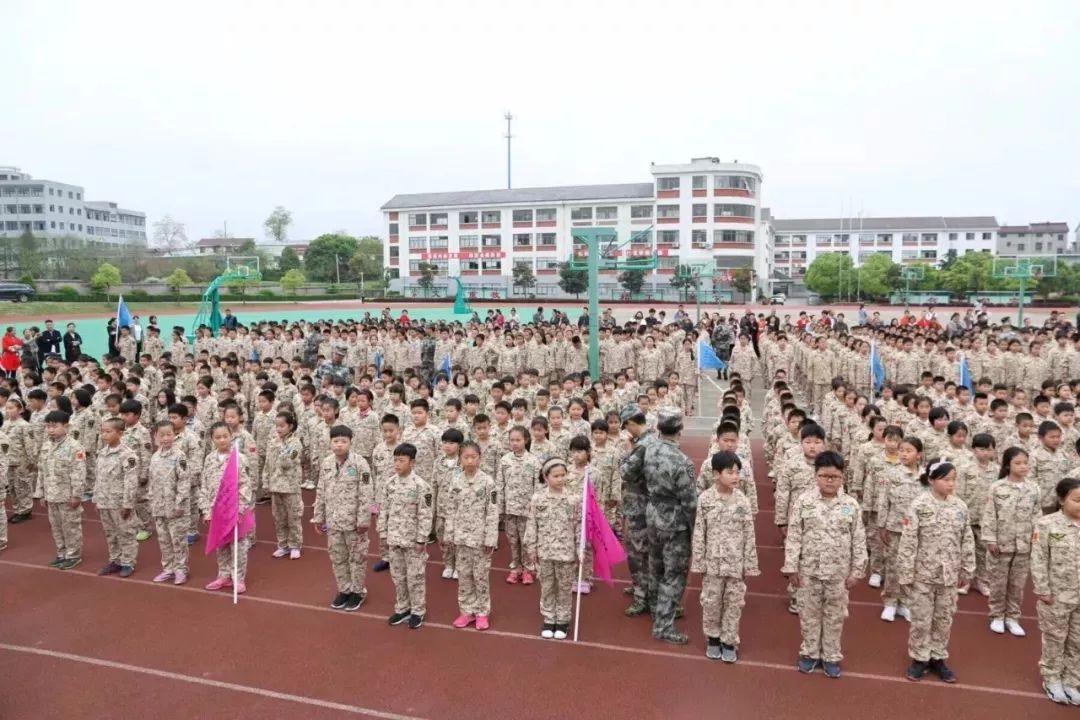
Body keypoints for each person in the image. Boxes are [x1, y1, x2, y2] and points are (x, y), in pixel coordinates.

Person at [782, 451, 867, 678]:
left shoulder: (850, 505)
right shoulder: (804, 502)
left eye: (835, 477)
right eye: (824, 476)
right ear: (815, 475)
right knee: (809, 614)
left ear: (842, 478)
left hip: (838, 574)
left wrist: (857, 571)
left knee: (834, 616)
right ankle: (809, 653)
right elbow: (794, 535)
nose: (829, 481)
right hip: (808, 571)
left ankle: (831, 655)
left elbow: (858, 539)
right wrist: (791, 567)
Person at [897, 461, 975, 683]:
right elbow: (909, 541)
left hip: (949, 574)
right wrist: (905, 572)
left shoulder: (960, 506)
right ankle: (920, 658)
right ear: (932, 480)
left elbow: (967, 538)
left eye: (953, 479)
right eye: (945, 479)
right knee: (921, 618)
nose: (951, 484)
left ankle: (938, 657)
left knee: (943, 618)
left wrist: (968, 568)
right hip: (923, 573)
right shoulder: (919, 505)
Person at [691, 451, 759, 662]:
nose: (735, 476)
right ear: (716, 474)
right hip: (712, 563)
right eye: (730, 472)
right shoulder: (705, 499)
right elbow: (699, 532)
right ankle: (713, 638)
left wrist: (749, 565)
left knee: (734, 602)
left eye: (737, 472)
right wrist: (699, 562)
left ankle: (729, 640)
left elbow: (749, 534)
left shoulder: (742, 501)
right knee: (711, 602)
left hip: (736, 564)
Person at [643, 409, 697, 644]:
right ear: (679, 430)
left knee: (655, 566)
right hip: (674, 522)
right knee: (674, 574)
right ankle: (664, 625)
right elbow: (690, 502)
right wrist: (697, 531)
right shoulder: (681, 461)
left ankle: (657, 609)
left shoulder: (650, 449)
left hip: (653, 514)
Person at [313, 425, 375, 613]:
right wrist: (318, 517)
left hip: (354, 523)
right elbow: (321, 490)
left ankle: (357, 591)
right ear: (330, 442)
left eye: (343, 441)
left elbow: (366, 492)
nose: (339, 445)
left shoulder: (360, 464)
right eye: (335, 441)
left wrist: (364, 520)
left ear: (350, 442)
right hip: (334, 522)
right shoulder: (327, 463)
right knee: (337, 557)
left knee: (357, 558)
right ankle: (344, 589)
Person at [983, 446, 1041, 636]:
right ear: (1008, 465)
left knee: (1017, 584)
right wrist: (990, 539)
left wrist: (1036, 540)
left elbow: (1037, 516)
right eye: (1018, 463)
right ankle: (997, 616)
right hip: (1001, 543)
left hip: (1024, 545)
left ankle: (1013, 617)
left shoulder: (1034, 488)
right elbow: (990, 515)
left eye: (1025, 463)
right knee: (999, 583)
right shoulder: (997, 487)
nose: (1023, 467)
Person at [1032, 477, 1080, 704]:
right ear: (1062, 500)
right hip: (1057, 595)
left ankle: (1072, 680)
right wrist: (1043, 589)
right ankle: (1052, 678)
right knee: (1054, 638)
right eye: (1077, 500)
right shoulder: (1047, 524)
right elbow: (1039, 559)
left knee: (1077, 640)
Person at [524, 457, 580, 640]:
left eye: (563, 475)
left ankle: (563, 620)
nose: (560, 479)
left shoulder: (573, 499)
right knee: (547, 586)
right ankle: (549, 618)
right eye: (556, 476)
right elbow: (532, 524)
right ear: (546, 477)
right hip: (545, 551)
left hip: (566, 552)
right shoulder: (538, 499)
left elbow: (579, 527)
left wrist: (580, 549)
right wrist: (531, 548)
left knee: (564, 588)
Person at [446, 440, 499, 630]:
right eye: (466, 457)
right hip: (461, 537)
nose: (469, 461)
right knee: (464, 575)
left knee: (481, 576)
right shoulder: (456, 480)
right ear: (460, 459)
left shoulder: (488, 482)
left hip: (480, 538)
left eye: (473, 457)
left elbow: (492, 511)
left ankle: (482, 612)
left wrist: (491, 538)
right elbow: (450, 508)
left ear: (479, 459)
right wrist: (449, 534)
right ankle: (466, 611)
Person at [379, 442, 432, 629]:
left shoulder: (421, 486)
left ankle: (418, 610)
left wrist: (421, 539)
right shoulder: (389, 483)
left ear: (413, 462)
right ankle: (402, 608)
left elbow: (425, 515)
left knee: (415, 576)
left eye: (401, 460)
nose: (397, 464)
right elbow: (383, 510)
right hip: (394, 538)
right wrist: (383, 533)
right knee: (398, 576)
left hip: (412, 541)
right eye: (395, 460)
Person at [201, 422, 254, 593]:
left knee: (238, 546)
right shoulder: (209, 459)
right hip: (217, 511)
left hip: (235, 510)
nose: (222, 440)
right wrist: (206, 510)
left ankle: (238, 578)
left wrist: (240, 510)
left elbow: (245, 486)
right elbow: (205, 486)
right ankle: (223, 575)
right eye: (217, 437)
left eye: (225, 436)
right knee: (221, 544)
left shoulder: (239, 458)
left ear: (231, 436)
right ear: (212, 439)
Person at [33, 410, 87, 570]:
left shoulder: (75, 447)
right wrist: (40, 493)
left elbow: (79, 473)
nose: (50, 430)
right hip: (51, 494)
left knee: (70, 526)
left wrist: (77, 495)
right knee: (56, 527)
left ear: (66, 427)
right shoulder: (46, 445)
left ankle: (73, 555)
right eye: (48, 426)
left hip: (67, 495)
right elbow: (41, 471)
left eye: (54, 426)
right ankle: (62, 552)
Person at [619, 404, 659, 616]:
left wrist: (626, 453)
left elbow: (626, 472)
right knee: (643, 550)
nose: (627, 431)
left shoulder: (642, 445)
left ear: (633, 423)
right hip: (645, 504)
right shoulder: (654, 440)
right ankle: (641, 587)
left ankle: (642, 596)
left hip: (640, 506)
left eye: (627, 426)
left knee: (638, 552)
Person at [94, 417, 140, 578]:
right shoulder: (102, 452)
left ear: (120, 433)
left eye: (108, 432)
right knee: (110, 533)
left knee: (126, 532)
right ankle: (115, 559)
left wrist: (127, 504)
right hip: (104, 501)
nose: (104, 435)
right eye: (102, 431)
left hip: (119, 502)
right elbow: (98, 477)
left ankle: (128, 562)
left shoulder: (127, 454)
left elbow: (131, 481)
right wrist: (96, 498)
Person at [148, 420, 191, 585]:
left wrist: (180, 504)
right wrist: (152, 501)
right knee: (164, 539)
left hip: (175, 507)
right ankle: (168, 568)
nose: (166, 438)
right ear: (156, 437)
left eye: (169, 434)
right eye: (162, 435)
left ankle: (181, 569)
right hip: (159, 507)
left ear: (175, 435)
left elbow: (184, 481)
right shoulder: (155, 457)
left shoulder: (179, 456)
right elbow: (152, 482)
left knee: (178, 540)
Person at [265, 412, 305, 559]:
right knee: (279, 518)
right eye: (277, 426)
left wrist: (280, 445)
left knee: (293, 517)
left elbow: (286, 462)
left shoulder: (295, 443)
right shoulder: (273, 441)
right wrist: (266, 481)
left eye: (282, 426)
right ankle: (283, 545)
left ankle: (295, 545)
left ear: (290, 426)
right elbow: (268, 463)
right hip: (275, 485)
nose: (278, 429)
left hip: (290, 487)